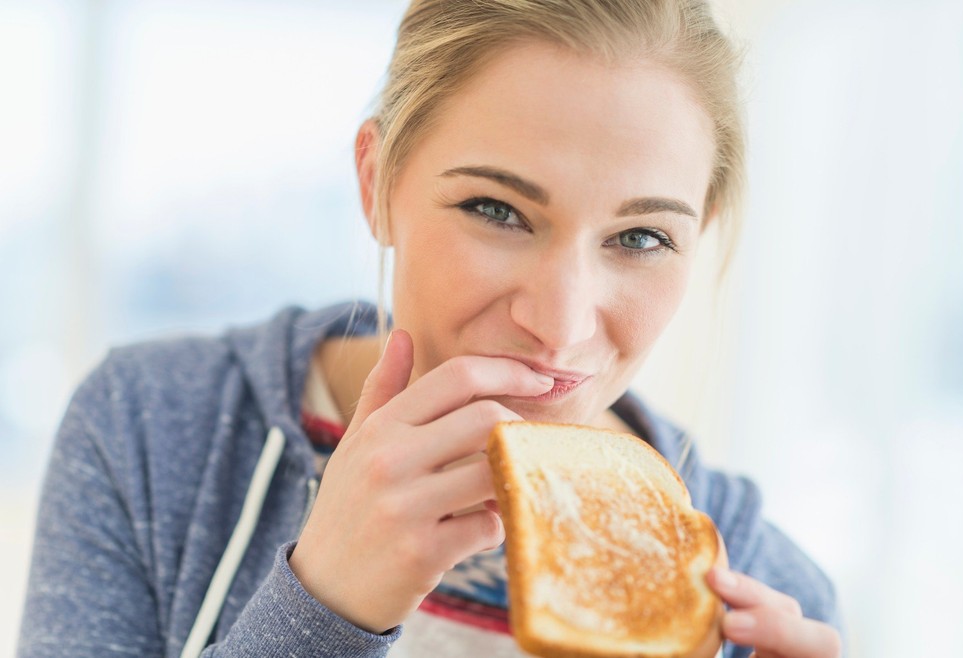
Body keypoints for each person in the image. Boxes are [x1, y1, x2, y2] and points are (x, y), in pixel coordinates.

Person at [18, 1, 844, 657]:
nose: (558, 326)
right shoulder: (151, 430)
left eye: (641, 238)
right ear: (378, 184)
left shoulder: (760, 589)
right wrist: (323, 610)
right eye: (497, 210)